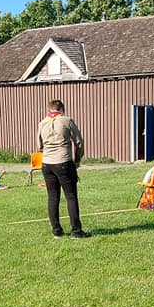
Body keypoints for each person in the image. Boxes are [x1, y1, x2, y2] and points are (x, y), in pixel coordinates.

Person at [37, 99, 89, 238]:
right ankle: (76, 231)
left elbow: (39, 146)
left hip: (47, 164)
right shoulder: (67, 121)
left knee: (52, 197)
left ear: (49, 109)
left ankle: (56, 231)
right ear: (62, 109)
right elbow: (79, 142)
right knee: (71, 197)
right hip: (63, 161)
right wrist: (77, 160)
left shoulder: (42, 123)